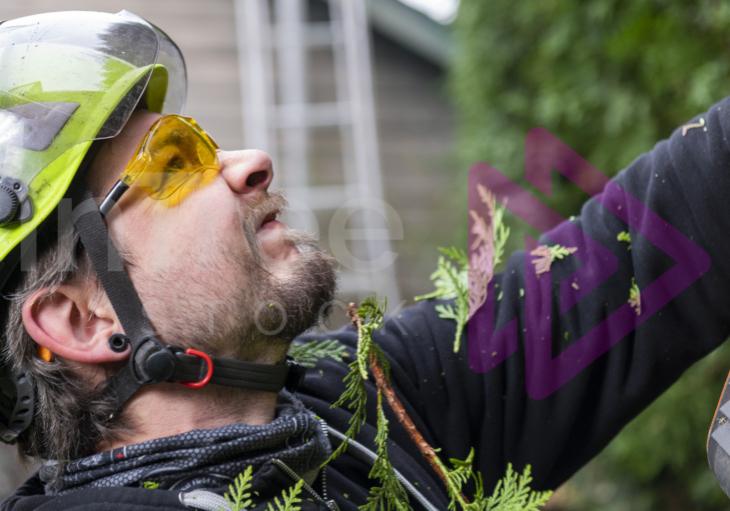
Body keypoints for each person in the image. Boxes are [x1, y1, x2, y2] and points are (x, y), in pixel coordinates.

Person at [2, 9, 730, 511]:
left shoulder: (361, 401)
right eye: (175, 160)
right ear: (77, 316)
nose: (251, 161)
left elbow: (654, 242)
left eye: (202, 138)